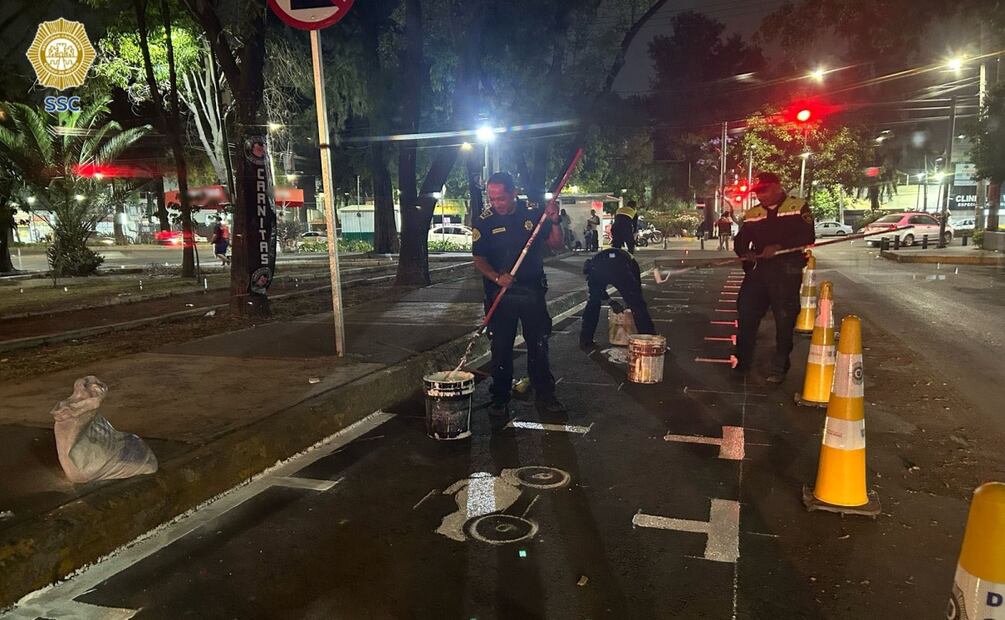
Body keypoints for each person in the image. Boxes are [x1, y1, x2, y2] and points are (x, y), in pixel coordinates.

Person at [472, 172, 567, 415]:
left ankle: (545, 394)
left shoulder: (533, 212)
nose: (496, 204)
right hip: (500, 294)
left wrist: (554, 221)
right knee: (501, 348)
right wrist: (496, 277)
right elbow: (478, 258)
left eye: (501, 198)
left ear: (514, 192)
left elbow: (557, 244)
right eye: (491, 199)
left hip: (532, 290)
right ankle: (500, 397)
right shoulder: (484, 220)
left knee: (538, 344)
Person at [733, 172, 816, 383]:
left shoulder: (797, 207)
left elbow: (808, 236)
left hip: (786, 270)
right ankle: (743, 361)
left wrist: (780, 247)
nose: (761, 196)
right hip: (759, 271)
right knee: (746, 312)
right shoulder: (753, 213)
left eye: (764, 190)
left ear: (778, 187)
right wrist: (747, 254)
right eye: (758, 192)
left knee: (784, 318)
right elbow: (741, 241)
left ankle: (780, 365)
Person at [579, 247, 656, 350]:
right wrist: (631, 302)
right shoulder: (597, 267)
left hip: (615, 267)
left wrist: (611, 302)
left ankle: (586, 340)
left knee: (593, 304)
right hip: (620, 269)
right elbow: (636, 289)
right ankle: (649, 340)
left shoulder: (594, 267)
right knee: (638, 305)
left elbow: (596, 291)